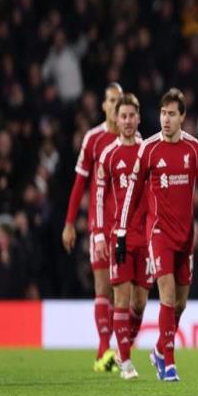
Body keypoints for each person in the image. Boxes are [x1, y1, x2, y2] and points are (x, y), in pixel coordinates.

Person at [117, 88, 198, 381]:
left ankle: (158, 350)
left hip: (185, 237)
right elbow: (132, 193)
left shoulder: (194, 148)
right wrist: (122, 230)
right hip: (159, 234)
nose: (166, 119)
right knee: (166, 294)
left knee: (180, 303)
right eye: (163, 113)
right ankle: (169, 364)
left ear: (182, 117)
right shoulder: (149, 149)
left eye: (172, 114)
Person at [62, 83, 123, 372]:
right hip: (99, 224)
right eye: (110, 100)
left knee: (121, 291)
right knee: (102, 286)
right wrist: (69, 223)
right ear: (103, 105)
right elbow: (78, 184)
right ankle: (104, 350)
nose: (114, 106)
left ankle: (108, 351)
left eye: (119, 101)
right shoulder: (93, 139)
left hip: (125, 226)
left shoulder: (134, 140)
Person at [94, 93, 153, 379]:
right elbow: (98, 196)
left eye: (132, 116)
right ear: (116, 120)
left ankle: (122, 349)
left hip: (146, 239)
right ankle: (126, 362)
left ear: (138, 118)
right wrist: (99, 234)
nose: (128, 121)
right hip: (120, 236)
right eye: (123, 116)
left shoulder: (148, 152)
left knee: (139, 304)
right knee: (121, 298)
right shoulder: (109, 155)